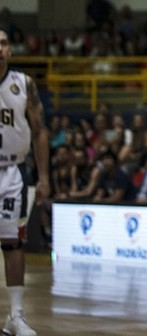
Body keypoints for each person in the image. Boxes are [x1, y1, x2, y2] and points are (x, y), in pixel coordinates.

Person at [0, 30, 49, 336]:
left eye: (3, 43)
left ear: (11, 51)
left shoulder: (24, 84)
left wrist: (44, 177)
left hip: (11, 172)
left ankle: (16, 315)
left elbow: (40, 131)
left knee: (13, 242)